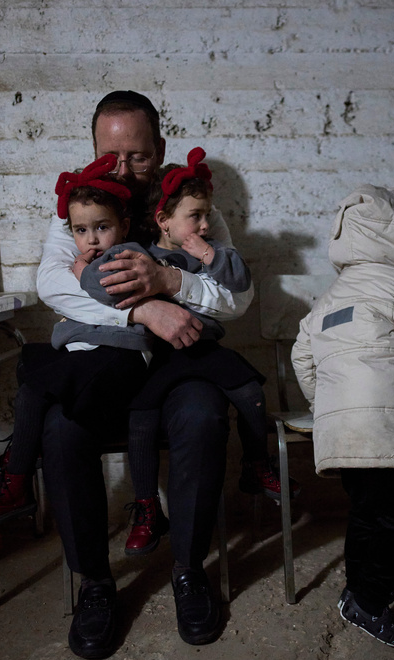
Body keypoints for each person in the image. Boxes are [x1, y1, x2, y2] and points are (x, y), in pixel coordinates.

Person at [36, 91, 254, 658]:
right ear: (93, 153)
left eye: (136, 156)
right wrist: (139, 309)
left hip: (179, 364)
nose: (122, 168)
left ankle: (188, 569)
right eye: (110, 156)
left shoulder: (191, 207)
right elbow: (53, 285)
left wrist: (172, 284)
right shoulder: (78, 208)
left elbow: (238, 298)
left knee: (204, 416)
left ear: (158, 150)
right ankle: (96, 584)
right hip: (111, 361)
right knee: (61, 427)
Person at [78, 148, 300, 556]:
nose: (204, 223)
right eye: (194, 216)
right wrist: (86, 270)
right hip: (159, 354)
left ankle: (256, 463)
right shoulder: (140, 253)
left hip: (202, 347)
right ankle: (146, 506)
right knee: (141, 417)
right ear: (163, 221)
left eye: (206, 215)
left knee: (250, 389)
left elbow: (239, 282)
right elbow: (100, 281)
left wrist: (209, 254)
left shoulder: (211, 252)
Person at [291, 185, 394, 648]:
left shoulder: (328, 297)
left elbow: (303, 359)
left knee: (366, 510)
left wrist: (328, 408)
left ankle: (357, 589)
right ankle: (369, 602)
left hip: (342, 432)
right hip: (385, 428)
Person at [0, 155, 150, 525]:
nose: (92, 239)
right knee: (31, 358)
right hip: (95, 352)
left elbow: (115, 294)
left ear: (123, 227)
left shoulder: (131, 255)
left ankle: (16, 483)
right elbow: (50, 286)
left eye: (102, 228)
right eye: (81, 231)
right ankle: (22, 456)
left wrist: (81, 274)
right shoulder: (91, 255)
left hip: (122, 356)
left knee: (34, 391)